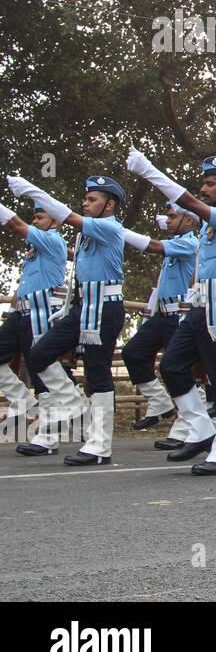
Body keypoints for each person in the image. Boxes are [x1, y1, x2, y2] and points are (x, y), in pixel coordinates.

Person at [125, 153, 216, 475]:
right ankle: (201, 428)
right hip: (200, 305)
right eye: (204, 183)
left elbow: (189, 202)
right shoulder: (211, 223)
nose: (205, 188)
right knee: (171, 365)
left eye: (211, 183)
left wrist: (149, 171)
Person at [7, 174, 127, 466]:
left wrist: (32, 189)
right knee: (40, 354)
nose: (85, 204)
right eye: (85, 199)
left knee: (98, 374)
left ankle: (99, 446)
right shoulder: (86, 234)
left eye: (92, 200)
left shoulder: (110, 228)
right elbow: (82, 273)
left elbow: (67, 217)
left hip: (105, 307)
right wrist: (71, 302)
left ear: (109, 205)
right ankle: (73, 404)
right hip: (82, 307)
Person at [119, 204, 199, 441]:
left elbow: (153, 246)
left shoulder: (189, 243)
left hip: (179, 316)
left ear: (189, 221)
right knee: (133, 353)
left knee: (178, 369)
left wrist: (117, 230)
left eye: (174, 217)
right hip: (161, 315)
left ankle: (186, 427)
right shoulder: (178, 242)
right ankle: (160, 402)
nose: (169, 221)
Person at [0, 199, 69, 431]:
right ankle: (26, 404)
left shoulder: (52, 240)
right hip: (20, 314)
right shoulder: (34, 248)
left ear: (56, 221)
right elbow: (24, 283)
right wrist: (11, 311)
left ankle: (51, 421)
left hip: (40, 312)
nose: (34, 221)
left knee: (40, 367)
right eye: (34, 217)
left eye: (40, 217)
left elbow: (17, 225)